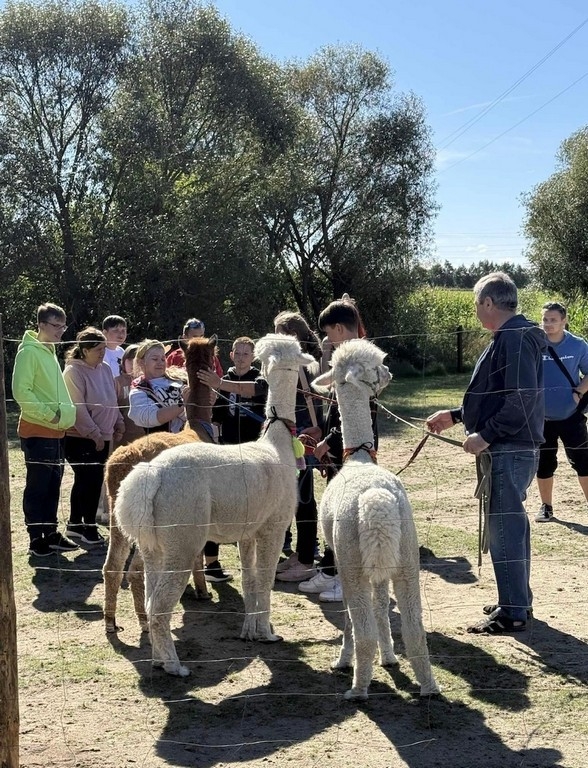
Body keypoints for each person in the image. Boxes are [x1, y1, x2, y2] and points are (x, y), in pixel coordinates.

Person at [426, 272, 545, 635]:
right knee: (510, 525)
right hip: (510, 446)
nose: (477, 311)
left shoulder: (514, 337)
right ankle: (516, 599)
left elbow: (521, 398)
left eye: (478, 304)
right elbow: (497, 393)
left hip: (509, 447)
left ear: (489, 303)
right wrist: (457, 416)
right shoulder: (512, 336)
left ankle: (513, 612)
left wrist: (485, 436)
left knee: (504, 527)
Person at [129, 339, 233, 583]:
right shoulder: (139, 390)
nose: (160, 363)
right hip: (158, 454)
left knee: (203, 506)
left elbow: (204, 407)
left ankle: (209, 563)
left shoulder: (179, 382)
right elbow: (149, 417)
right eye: (154, 359)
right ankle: (163, 568)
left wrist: (203, 396)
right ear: (141, 363)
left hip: (190, 448)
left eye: (162, 358)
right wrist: (183, 405)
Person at [298, 297, 375, 602]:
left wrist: (328, 441)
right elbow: (338, 408)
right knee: (338, 511)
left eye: (329, 333)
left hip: (355, 447)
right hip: (341, 445)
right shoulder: (348, 359)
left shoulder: (360, 362)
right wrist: (325, 433)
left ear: (340, 329)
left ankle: (350, 580)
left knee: (349, 514)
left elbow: (356, 413)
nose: (328, 340)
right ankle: (332, 570)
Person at [12, 303, 79, 557]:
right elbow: (21, 392)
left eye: (63, 326)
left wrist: (62, 418)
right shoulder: (29, 352)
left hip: (56, 430)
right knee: (38, 486)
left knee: (53, 485)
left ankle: (50, 533)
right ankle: (35, 538)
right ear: (41, 325)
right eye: (55, 325)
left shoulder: (49, 350)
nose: (60, 331)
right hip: (38, 430)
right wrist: (51, 415)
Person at [273, 312, 324, 583]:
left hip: (303, 436)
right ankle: (301, 553)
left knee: (303, 498)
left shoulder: (302, 363)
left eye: (278, 333)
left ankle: (305, 559)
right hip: (295, 434)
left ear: (292, 335)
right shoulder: (301, 360)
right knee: (297, 496)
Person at [63, 327, 125, 544]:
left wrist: (118, 421)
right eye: (98, 349)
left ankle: (75, 525)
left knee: (89, 480)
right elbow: (78, 408)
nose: (102, 353)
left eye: (103, 349)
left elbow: (112, 399)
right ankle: (88, 528)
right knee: (88, 480)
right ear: (84, 350)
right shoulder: (73, 372)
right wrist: (94, 434)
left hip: (104, 436)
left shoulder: (105, 369)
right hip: (80, 437)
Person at [535, 301, 588, 522]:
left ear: (564, 321)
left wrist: (578, 392)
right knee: (544, 464)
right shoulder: (535, 344)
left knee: (583, 462)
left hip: (571, 416)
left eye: (553, 320)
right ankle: (546, 507)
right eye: (545, 319)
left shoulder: (578, 345)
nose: (548, 324)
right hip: (541, 417)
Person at [213, 337, 267, 445]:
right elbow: (218, 413)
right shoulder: (224, 381)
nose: (241, 357)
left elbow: (265, 411)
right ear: (231, 355)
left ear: (253, 357)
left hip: (254, 441)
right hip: (228, 440)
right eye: (237, 353)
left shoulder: (259, 381)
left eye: (245, 354)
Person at [113, 344, 145, 445]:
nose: (133, 364)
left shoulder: (148, 382)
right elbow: (112, 406)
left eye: (136, 360)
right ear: (123, 361)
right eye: (130, 360)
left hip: (144, 435)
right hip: (122, 435)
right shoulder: (117, 382)